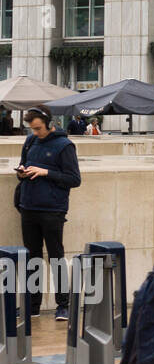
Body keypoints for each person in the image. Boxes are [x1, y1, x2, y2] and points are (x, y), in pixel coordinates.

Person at [16, 106, 82, 321]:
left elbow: (74, 179)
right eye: (32, 129)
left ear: (49, 123)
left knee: (56, 257)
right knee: (32, 258)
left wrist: (45, 172)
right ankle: (32, 306)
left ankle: (63, 305)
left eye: (38, 128)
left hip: (53, 210)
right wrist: (23, 172)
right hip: (28, 206)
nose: (35, 133)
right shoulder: (30, 141)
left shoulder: (64, 145)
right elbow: (22, 167)